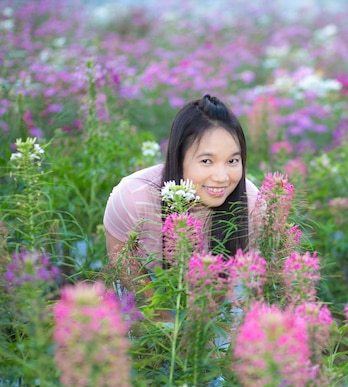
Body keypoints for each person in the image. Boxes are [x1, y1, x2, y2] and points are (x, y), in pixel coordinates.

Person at [103, 94, 259, 283]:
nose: (222, 177)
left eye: (232, 161)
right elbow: (126, 273)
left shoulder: (253, 205)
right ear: (178, 158)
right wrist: (165, 313)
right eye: (206, 161)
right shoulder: (133, 196)